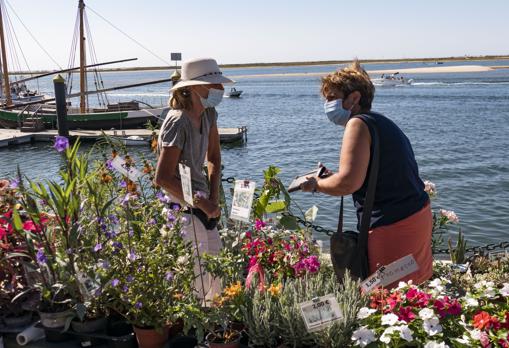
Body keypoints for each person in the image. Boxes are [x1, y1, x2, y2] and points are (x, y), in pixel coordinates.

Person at [300, 60, 432, 288]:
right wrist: (330, 177)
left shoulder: (357, 124)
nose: (327, 104)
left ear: (354, 98)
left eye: (332, 98)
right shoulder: (382, 122)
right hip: (416, 216)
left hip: (392, 227)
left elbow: (348, 183)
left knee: (386, 299)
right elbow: (375, 175)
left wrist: (315, 185)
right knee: (412, 295)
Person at [154, 57, 233, 302]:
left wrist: (212, 198)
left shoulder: (209, 114)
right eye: (214, 85)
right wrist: (202, 202)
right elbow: (163, 177)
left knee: (217, 274)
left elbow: (215, 158)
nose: (220, 90)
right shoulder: (178, 121)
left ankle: (215, 330)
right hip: (182, 209)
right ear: (194, 87)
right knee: (196, 280)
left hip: (201, 205)